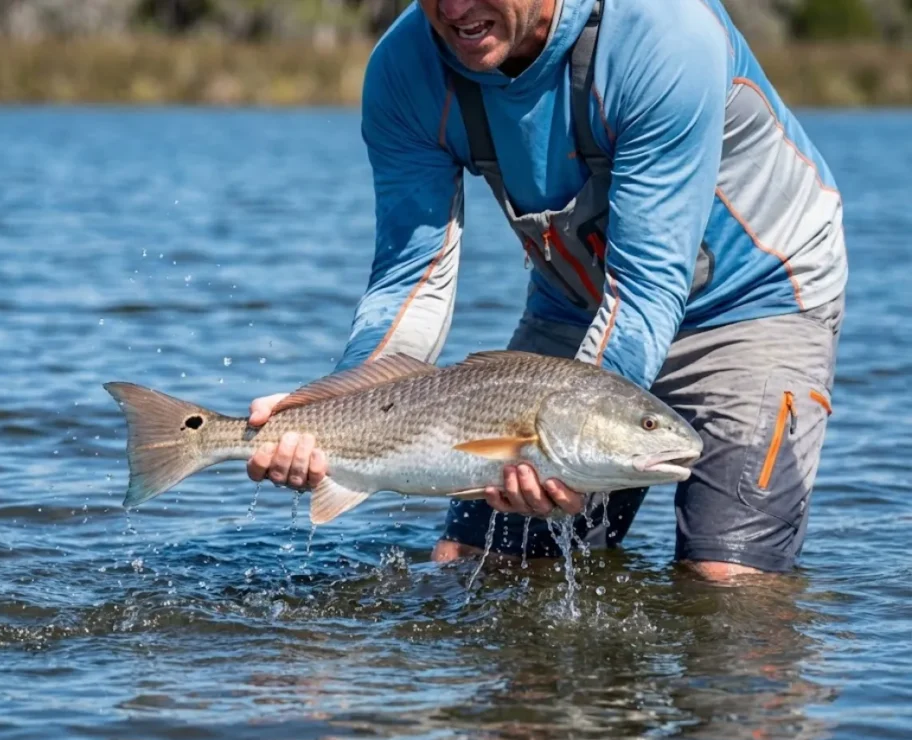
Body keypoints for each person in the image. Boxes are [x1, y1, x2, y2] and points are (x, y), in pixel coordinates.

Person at [245, 0, 847, 582]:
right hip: (574, 305)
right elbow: (411, 279)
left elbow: (647, 284)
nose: (454, 10)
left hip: (756, 302)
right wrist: (323, 413)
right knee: (471, 563)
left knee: (726, 583)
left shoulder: (666, 34)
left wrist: (564, 456)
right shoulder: (404, 69)